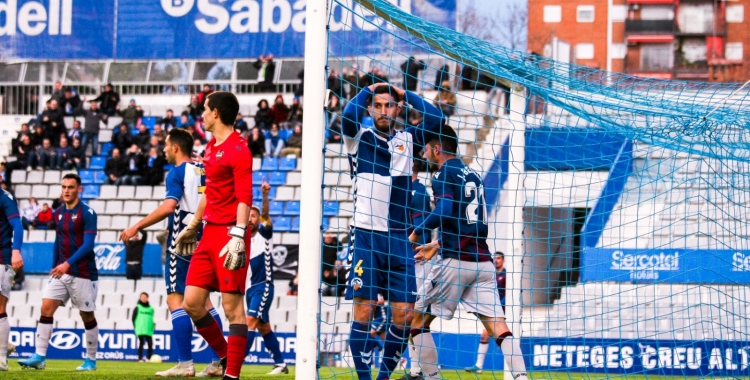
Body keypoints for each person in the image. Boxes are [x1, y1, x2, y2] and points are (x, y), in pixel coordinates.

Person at [405, 125, 527, 380]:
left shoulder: (441, 174)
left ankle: (429, 377)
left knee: (416, 320)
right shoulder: (473, 174)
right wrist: (437, 244)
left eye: (426, 147)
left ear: (436, 148)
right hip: (483, 262)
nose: (424, 152)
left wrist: (417, 233)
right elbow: (470, 222)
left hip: (456, 262)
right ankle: (521, 377)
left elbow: (445, 210)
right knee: (498, 327)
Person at [342, 82, 443, 380]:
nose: (384, 111)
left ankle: (384, 377)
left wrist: (404, 93)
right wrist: (366, 90)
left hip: (399, 238)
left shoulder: (409, 140)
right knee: (364, 311)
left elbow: (436, 120)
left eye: (390, 105)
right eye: (378, 105)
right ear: (371, 109)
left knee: (404, 315)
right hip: (366, 236)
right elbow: (348, 115)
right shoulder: (359, 138)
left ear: (398, 109)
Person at [120, 128, 226, 377]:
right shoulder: (204, 169)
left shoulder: (177, 172)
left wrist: (136, 225)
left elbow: (170, 207)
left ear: (176, 148)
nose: (164, 150)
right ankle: (217, 362)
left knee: (175, 300)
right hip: (206, 238)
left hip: (182, 242)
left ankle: (185, 363)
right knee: (205, 301)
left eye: (166, 146)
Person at [173, 92, 252, 380]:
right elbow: (210, 193)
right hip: (208, 233)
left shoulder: (239, 150)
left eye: (205, 110)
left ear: (216, 113)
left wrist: (239, 234)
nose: (202, 115)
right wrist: (193, 224)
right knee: (192, 303)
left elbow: (245, 197)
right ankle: (222, 357)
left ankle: (232, 375)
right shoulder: (210, 147)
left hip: (231, 234)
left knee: (233, 310)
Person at [18, 174, 99, 372]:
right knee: (46, 307)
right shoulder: (59, 213)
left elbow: (88, 245)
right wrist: (56, 265)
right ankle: (39, 356)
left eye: (71, 187)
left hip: (83, 273)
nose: (66, 190)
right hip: (62, 272)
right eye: (64, 187)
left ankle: (91, 360)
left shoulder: (88, 213)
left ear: (79, 189)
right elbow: (58, 240)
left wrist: (67, 264)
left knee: (86, 315)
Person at [244, 180, 287, 374]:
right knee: (264, 327)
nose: (251, 219)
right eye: (248, 216)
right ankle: (281, 364)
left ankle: (233, 364)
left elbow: (266, 214)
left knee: (250, 322)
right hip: (250, 289)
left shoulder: (264, 235)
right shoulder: (242, 239)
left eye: (254, 216)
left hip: (264, 286)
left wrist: (265, 196)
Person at [404, 160, 433, 379]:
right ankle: (416, 369)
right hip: (407, 256)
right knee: (408, 314)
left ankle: (418, 370)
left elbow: (422, 223)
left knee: (414, 314)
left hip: (418, 257)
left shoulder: (419, 191)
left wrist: (416, 245)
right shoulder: (404, 189)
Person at [466, 251, 506, 374]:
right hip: (493, 309)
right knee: (486, 334)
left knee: (502, 336)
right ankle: (478, 366)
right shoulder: (490, 274)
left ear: (503, 260)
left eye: (499, 258)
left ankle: (479, 366)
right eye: (495, 258)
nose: (496, 260)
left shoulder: (506, 275)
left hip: (505, 309)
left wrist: (502, 305)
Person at [0, 186, 23, 371]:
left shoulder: (5, 198)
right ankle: (3, 346)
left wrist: (16, 251)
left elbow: (18, 226)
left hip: (2, 258)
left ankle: (1, 359)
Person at [132, 292, 155, 362]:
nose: (143, 298)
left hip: (148, 329)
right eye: (142, 297)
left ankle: (149, 358)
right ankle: (140, 358)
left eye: (145, 297)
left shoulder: (151, 309)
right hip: (140, 328)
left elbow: (151, 318)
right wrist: (136, 326)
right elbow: (133, 318)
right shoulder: (137, 307)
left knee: (150, 344)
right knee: (141, 343)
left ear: (147, 298)